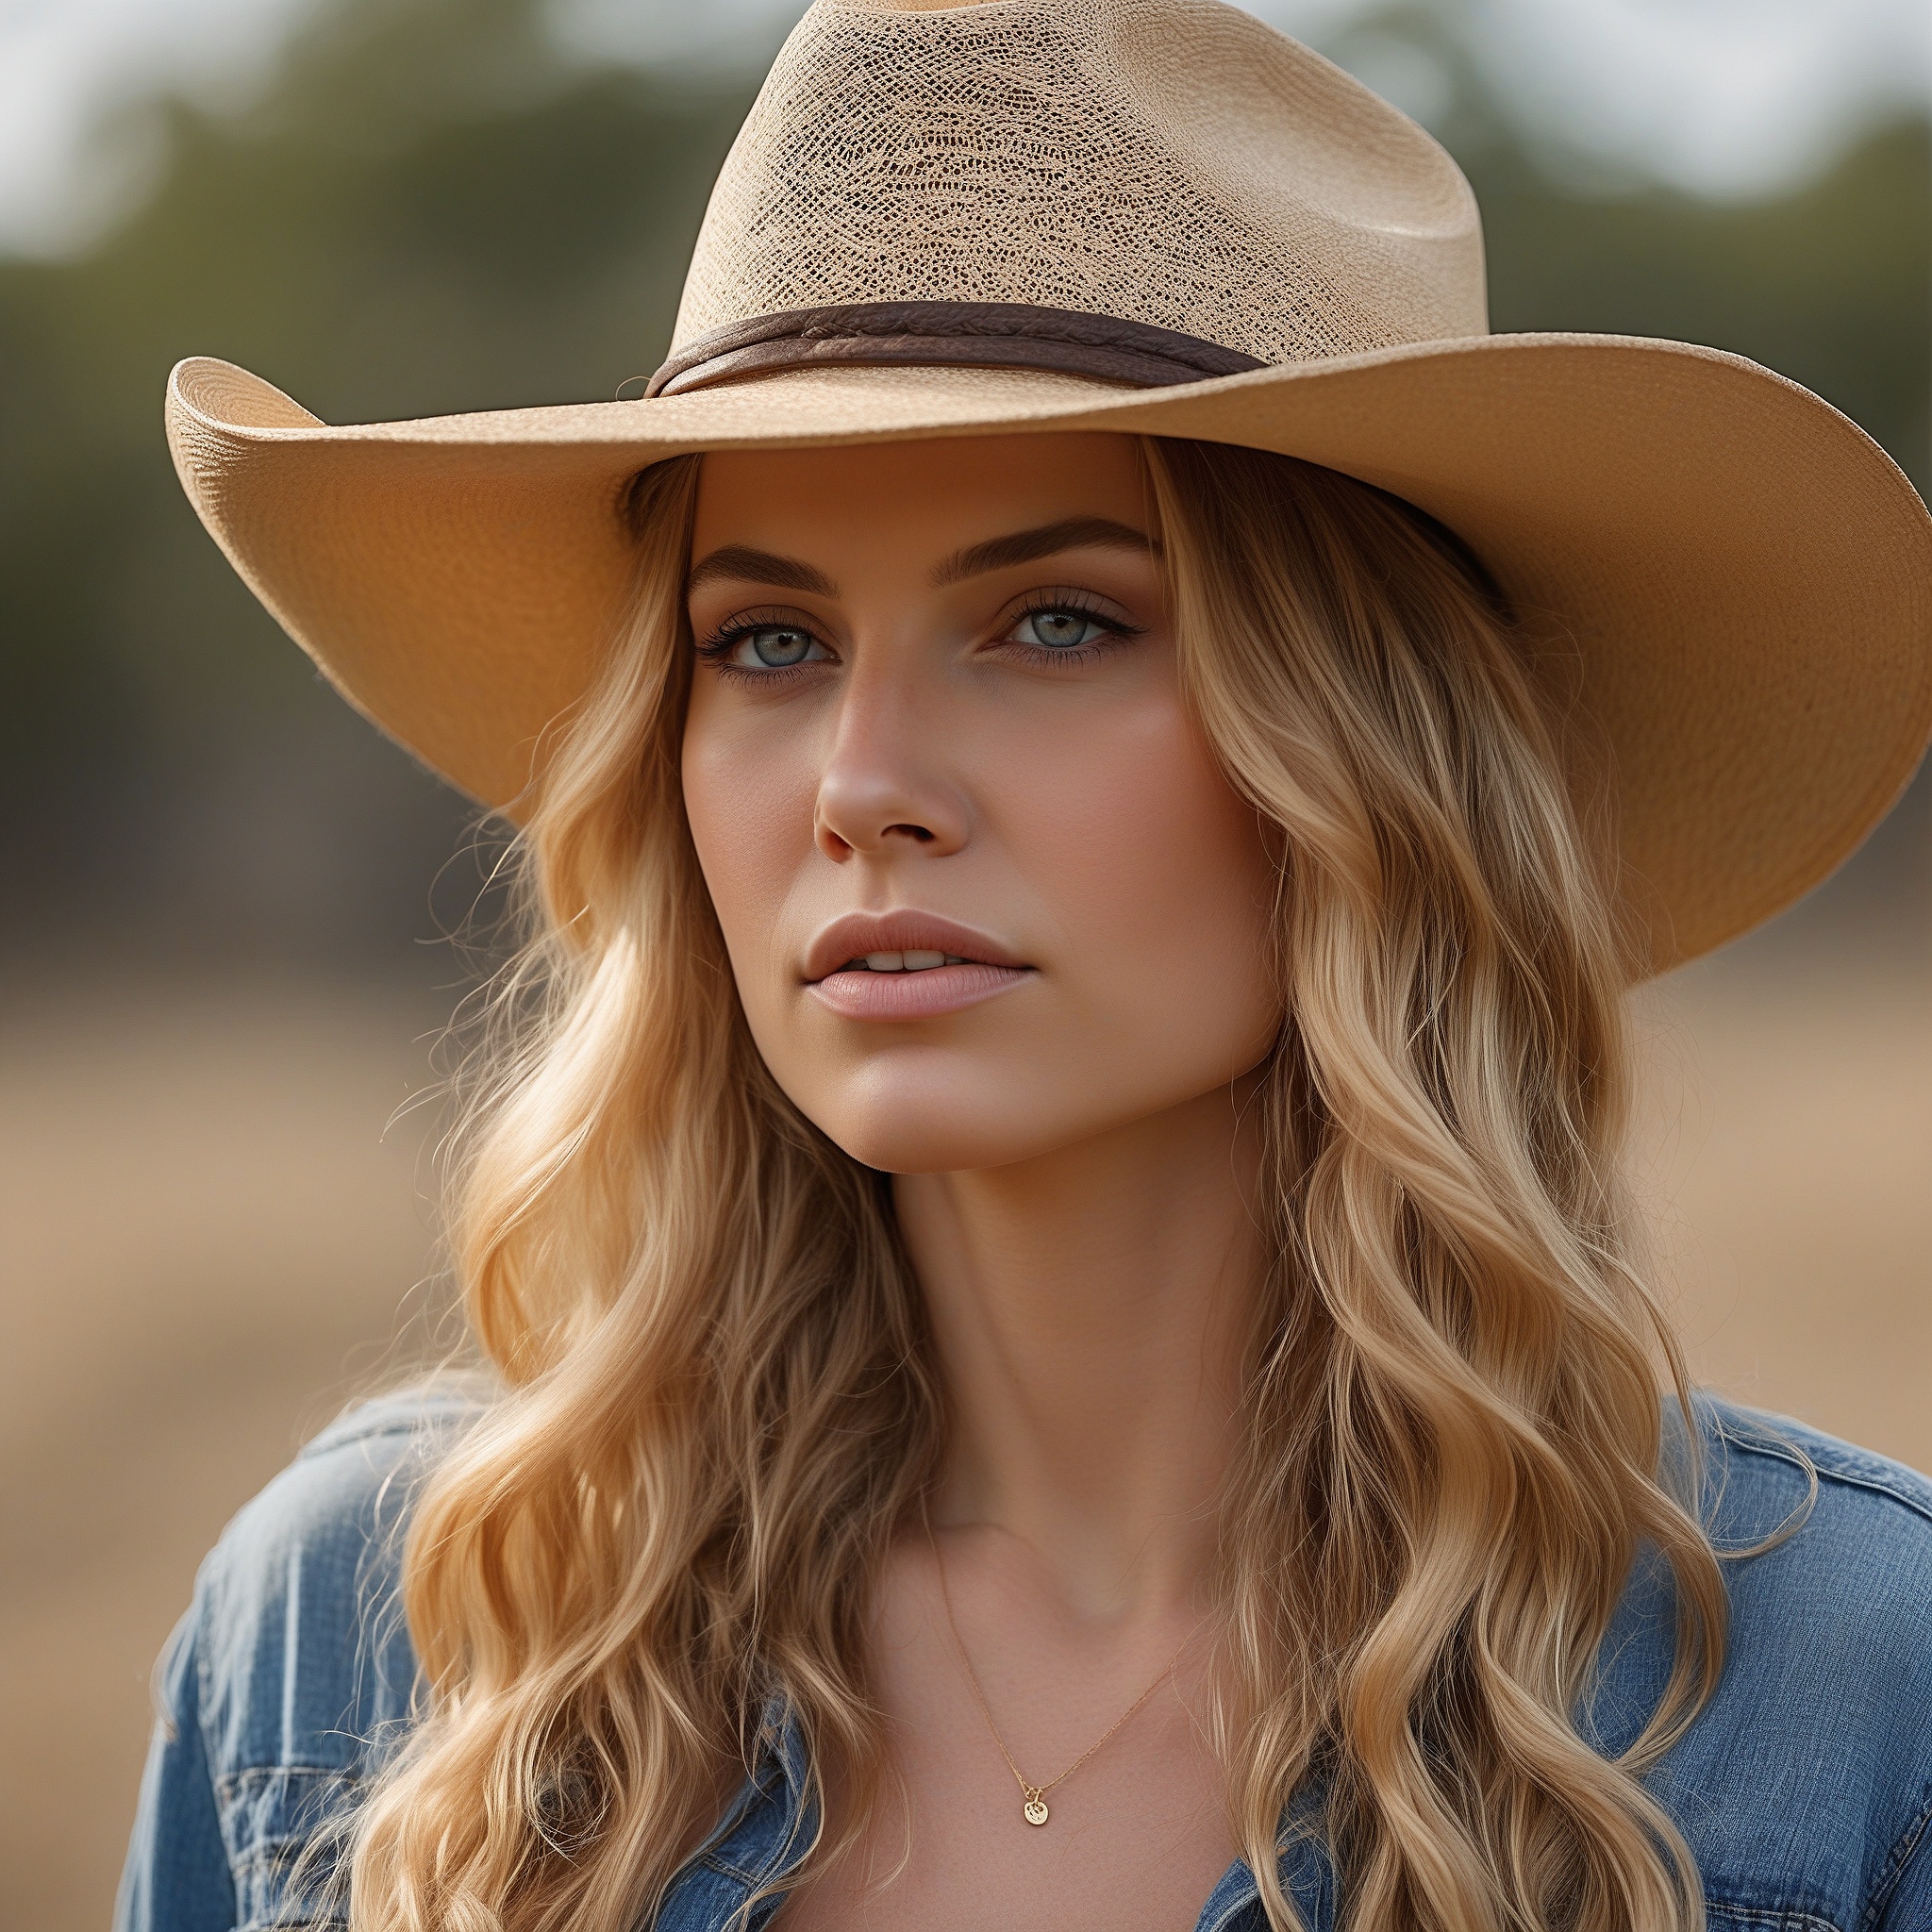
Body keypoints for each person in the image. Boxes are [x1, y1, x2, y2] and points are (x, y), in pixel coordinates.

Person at [119, 2, 1932, 1929]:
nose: (865, 786)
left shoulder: (1845, 1696)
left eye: (1056, 621)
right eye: (765, 644)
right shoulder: (380, 1640)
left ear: (1366, 765)